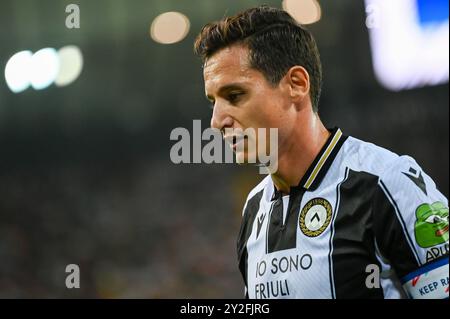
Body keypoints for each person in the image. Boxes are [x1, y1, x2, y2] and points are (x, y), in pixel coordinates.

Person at [193, 6, 449, 299]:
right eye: (213, 101)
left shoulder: (387, 183)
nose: (216, 121)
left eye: (234, 95)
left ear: (297, 84)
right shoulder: (254, 209)